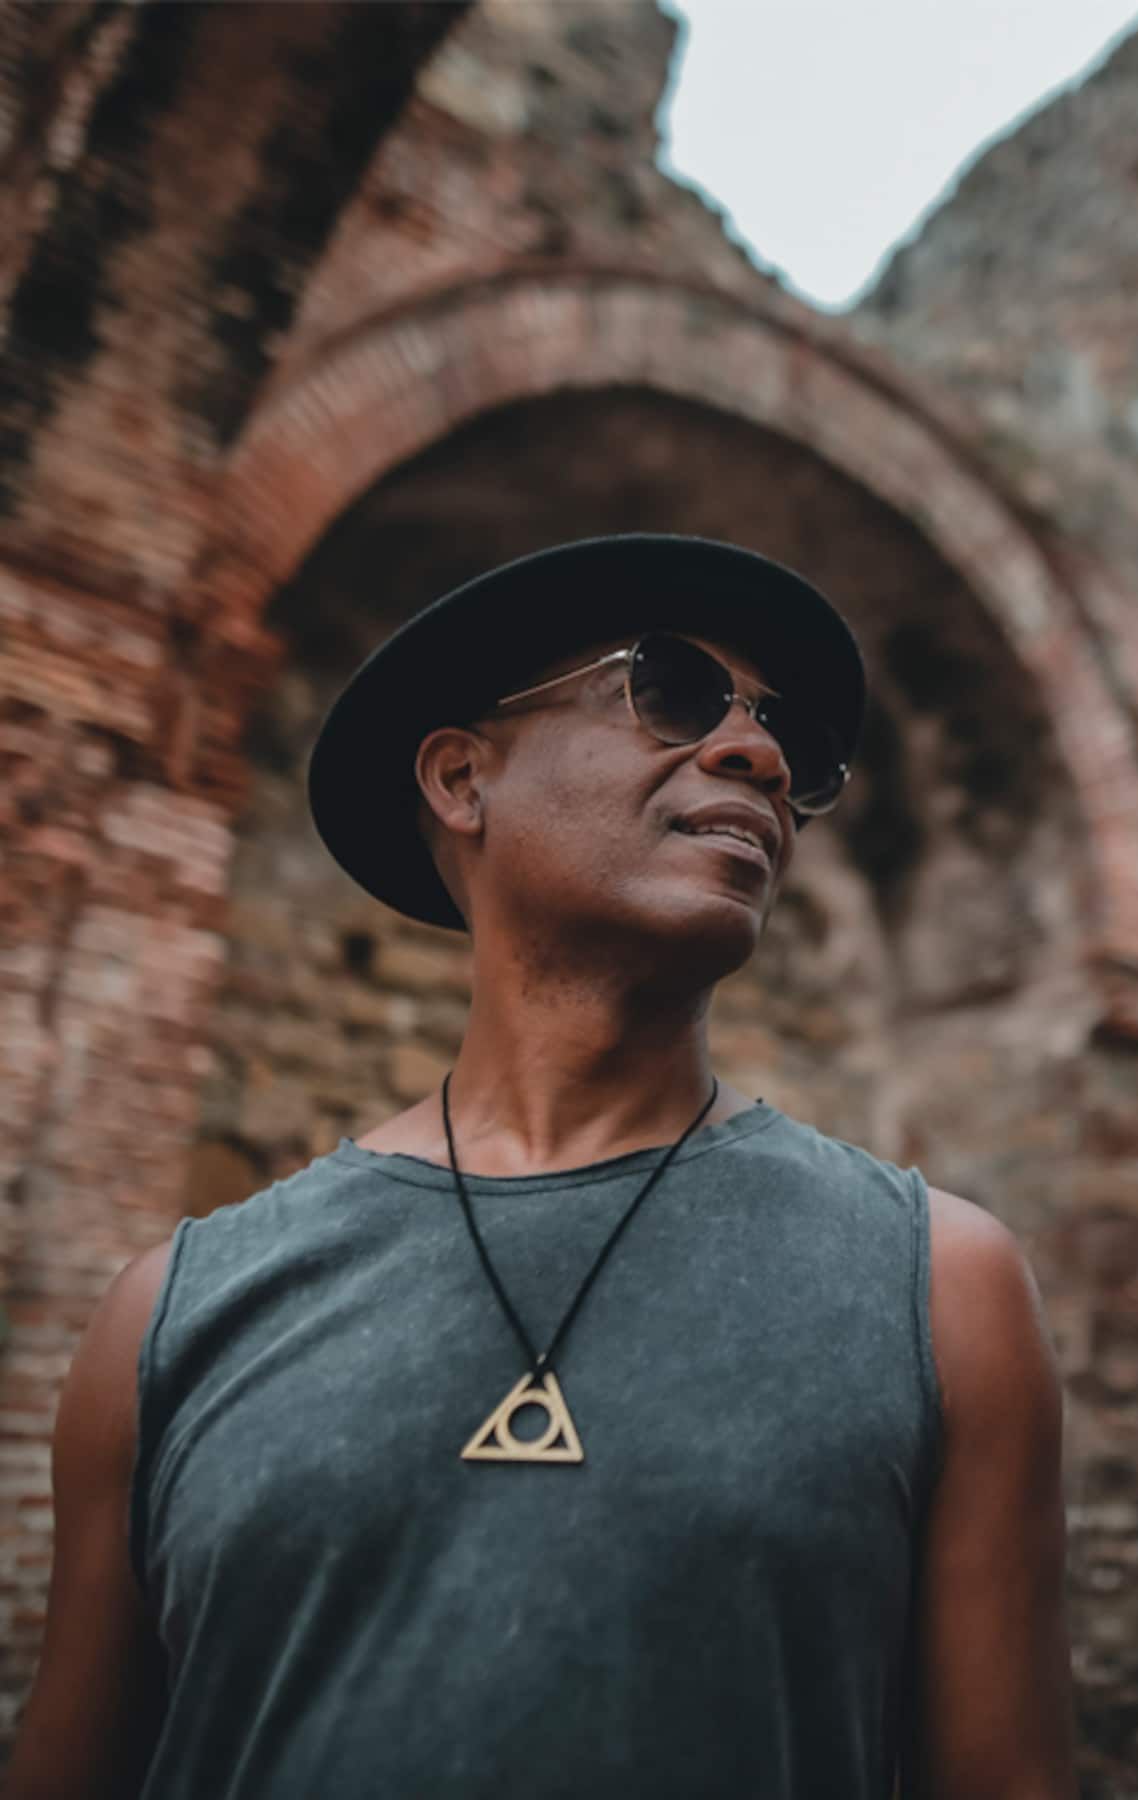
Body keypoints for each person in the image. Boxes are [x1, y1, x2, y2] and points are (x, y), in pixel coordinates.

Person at [9, 535, 1077, 1798]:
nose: (761, 757)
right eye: (672, 690)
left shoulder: (945, 1292)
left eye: (787, 737)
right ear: (464, 778)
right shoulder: (167, 1318)